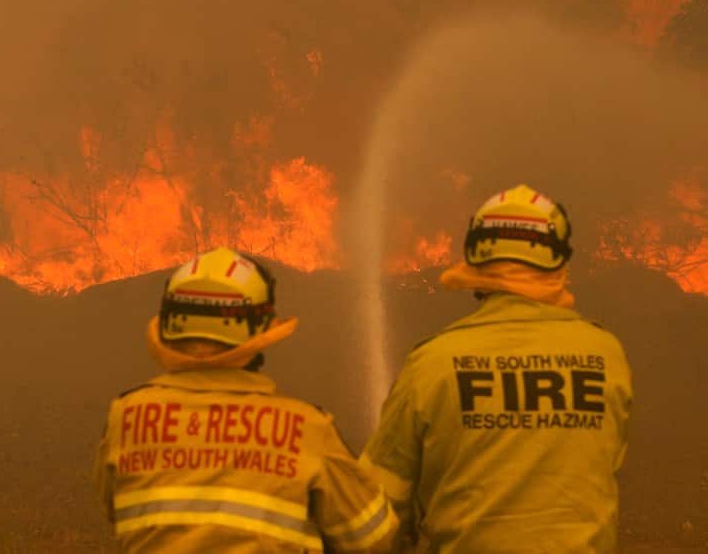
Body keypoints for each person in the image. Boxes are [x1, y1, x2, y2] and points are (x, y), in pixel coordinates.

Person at [362, 185, 632, 553]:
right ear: (559, 259)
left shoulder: (433, 364)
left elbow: (378, 507)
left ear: (475, 255)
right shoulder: (605, 357)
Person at [94, 246, 398, 553]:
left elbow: (115, 508)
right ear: (259, 333)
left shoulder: (127, 418)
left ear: (170, 326)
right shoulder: (305, 429)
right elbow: (373, 539)